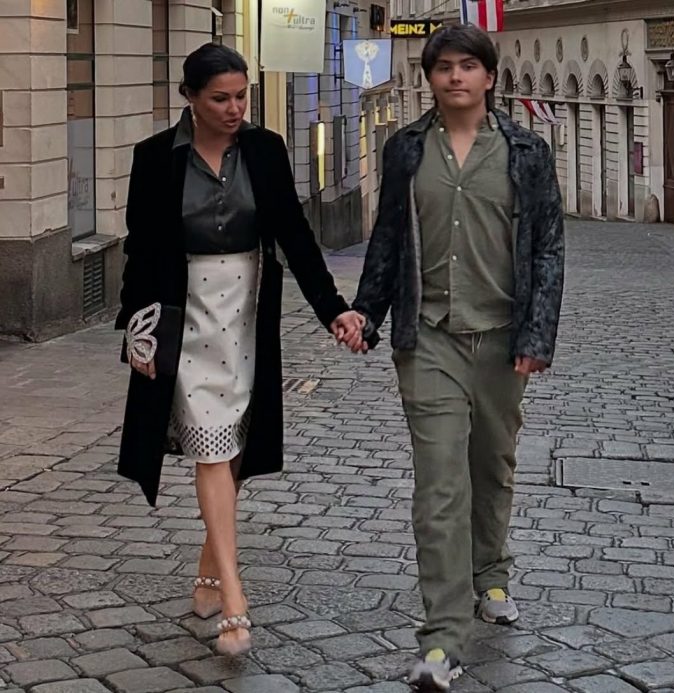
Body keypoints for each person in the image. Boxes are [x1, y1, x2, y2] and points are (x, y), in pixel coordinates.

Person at [115, 43, 364, 657]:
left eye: (242, 96)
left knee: (234, 445)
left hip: (247, 311)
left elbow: (296, 236)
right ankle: (233, 600)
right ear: (190, 98)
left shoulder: (265, 149)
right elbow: (140, 248)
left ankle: (208, 570)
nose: (234, 109)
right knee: (210, 444)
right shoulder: (155, 157)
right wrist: (136, 329)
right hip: (187, 313)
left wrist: (333, 309)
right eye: (220, 98)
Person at [351, 23, 565, 692]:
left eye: (467, 66)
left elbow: (548, 247)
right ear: (431, 78)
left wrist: (537, 337)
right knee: (440, 483)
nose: (455, 77)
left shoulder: (526, 152)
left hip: (501, 335)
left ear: (489, 76)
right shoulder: (407, 149)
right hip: (430, 336)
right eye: (443, 66)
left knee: (491, 464)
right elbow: (388, 237)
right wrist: (367, 313)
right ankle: (442, 640)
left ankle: (491, 573)